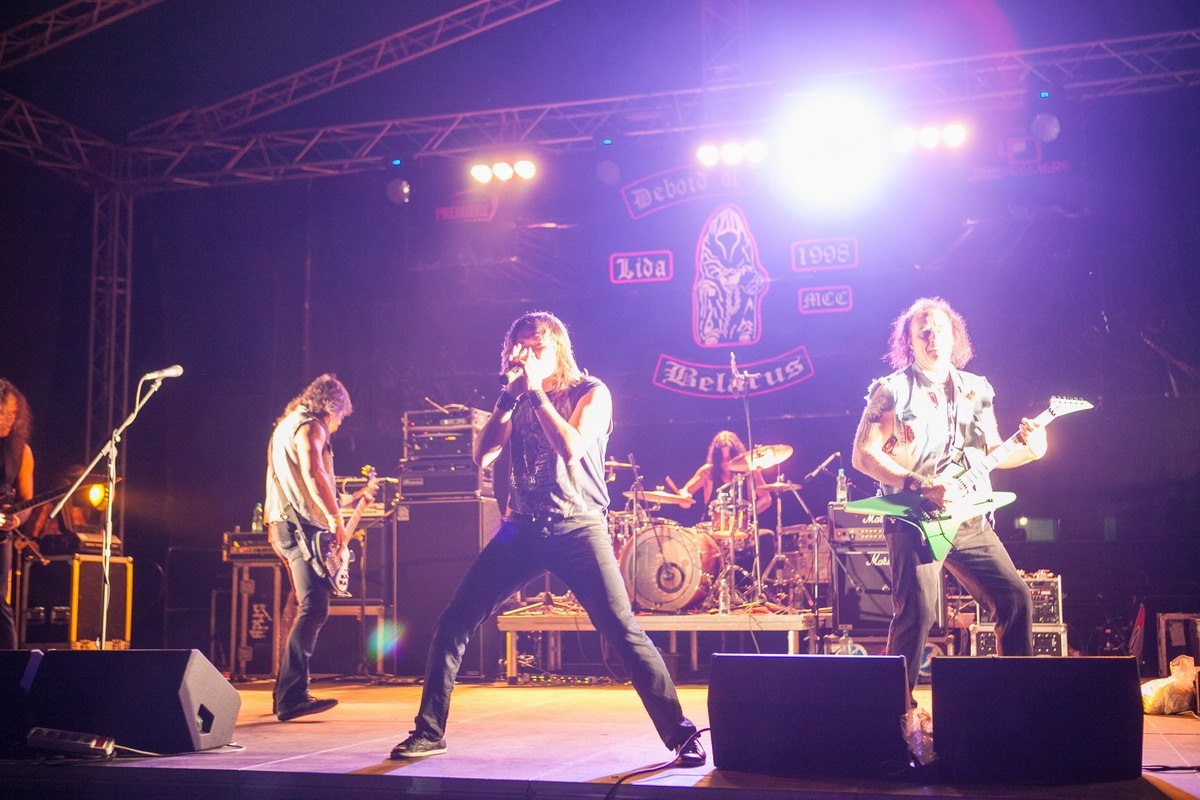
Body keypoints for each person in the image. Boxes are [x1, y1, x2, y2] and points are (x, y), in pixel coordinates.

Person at [390, 311, 705, 765]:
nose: (526, 356)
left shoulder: (592, 392)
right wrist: (507, 398)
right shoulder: (517, 399)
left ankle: (681, 735)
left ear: (557, 348)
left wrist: (535, 391)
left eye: (536, 347)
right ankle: (428, 731)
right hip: (521, 529)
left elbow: (571, 447)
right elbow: (482, 456)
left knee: (622, 631)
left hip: (579, 528)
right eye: (519, 348)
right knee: (454, 622)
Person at [851, 297, 1046, 696]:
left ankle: (1019, 703)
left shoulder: (976, 388)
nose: (933, 338)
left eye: (940, 330)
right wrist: (919, 484)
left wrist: (1033, 450)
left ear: (954, 336)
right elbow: (863, 455)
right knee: (917, 615)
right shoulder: (891, 390)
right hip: (913, 517)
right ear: (909, 341)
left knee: (1015, 599)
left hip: (968, 516)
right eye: (923, 332)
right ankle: (895, 713)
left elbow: (993, 451)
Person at [264, 373, 354, 721]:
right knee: (314, 607)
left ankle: (286, 693)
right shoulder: (310, 426)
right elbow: (314, 472)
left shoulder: (285, 424)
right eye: (340, 417)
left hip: (283, 524)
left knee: (309, 606)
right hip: (299, 527)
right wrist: (335, 519)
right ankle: (291, 697)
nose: (338, 425)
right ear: (332, 409)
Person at [0, 380, 34, 650]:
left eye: (12, 414)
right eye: (2, 412)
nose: (7, 419)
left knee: (0, 604)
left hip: (1, 537)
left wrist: (16, 519)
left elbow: (27, 503)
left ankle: (10, 665)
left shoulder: (22, 452)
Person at [676, 430, 771, 517]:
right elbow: (685, 490)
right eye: (722, 458)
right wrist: (684, 497)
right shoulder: (708, 471)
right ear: (716, 458)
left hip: (742, 527)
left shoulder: (750, 471)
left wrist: (747, 513)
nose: (726, 462)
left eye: (729, 458)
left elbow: (766, 498)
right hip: (712, 528)